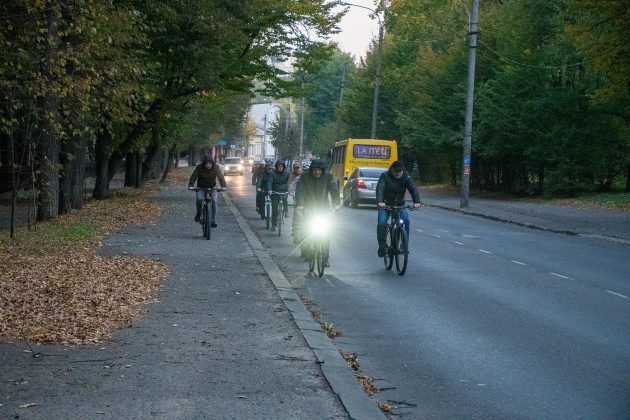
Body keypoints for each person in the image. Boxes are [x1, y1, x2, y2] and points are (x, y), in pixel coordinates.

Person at [295, 159, 340, 267]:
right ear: (312, 170)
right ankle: (306, 250)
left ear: (322, 170)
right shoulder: (305, 177)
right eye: (315, 170)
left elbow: (334, 190)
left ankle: (324, 258)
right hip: (308, 208)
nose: (317, 172)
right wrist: (300, 204)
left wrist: (336, 204)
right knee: (306, 230)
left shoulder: (328, 177)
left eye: (319, 170)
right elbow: (300, 191)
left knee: (325, 234)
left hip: (323, 209)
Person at [375, 160, 421, 257]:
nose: (397, 173)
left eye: (399, 171)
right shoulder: (385, 176)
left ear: (403, 170)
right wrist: (380, 201)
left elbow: (413, 188)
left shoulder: (406, 176)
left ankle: (404, 246)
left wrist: (416, 201)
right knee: (382, 222)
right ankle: (382, 246)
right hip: (386, 204)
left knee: (406, 221)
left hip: (400, 204)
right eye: (395, 171)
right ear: (391, 169)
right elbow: (380, 188)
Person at [188, 154, 227, 227]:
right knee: (199, 199)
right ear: (204, 163)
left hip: (212, 187)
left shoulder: (216, 168)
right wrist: (191, 185)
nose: (208, 165)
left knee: (214, 201)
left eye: (210, 164)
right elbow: (193, 176)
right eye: (206, 163)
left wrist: (223, 186)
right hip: (201, 187)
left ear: (212, 163)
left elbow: (221, 177)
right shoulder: (199, 167)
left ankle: (213, 220)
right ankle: (199, 213)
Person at [267, 160, 290, 231]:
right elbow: (270, 182)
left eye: (282, 166)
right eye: (279, 166)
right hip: (275, 192)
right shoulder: (272, 174)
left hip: (284, 191)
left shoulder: (287, 173)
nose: (280, 168)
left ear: (284, 167)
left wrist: (290, 189)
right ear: (276, 167)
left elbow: (290, 182)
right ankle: (274, 225)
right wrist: (270, 190)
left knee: (285, 199)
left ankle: (286, 211)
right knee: (274, 208)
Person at [288, 161, 303, 243]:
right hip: (297, 197)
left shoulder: (305, 176)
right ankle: (295, 232)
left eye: (299, 168)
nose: (297, 170)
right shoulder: (292, 176)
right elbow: (290, 185)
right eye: (296, 168)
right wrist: (292, 193)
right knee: (297, 214)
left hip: (307, 197)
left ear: (301, 168)